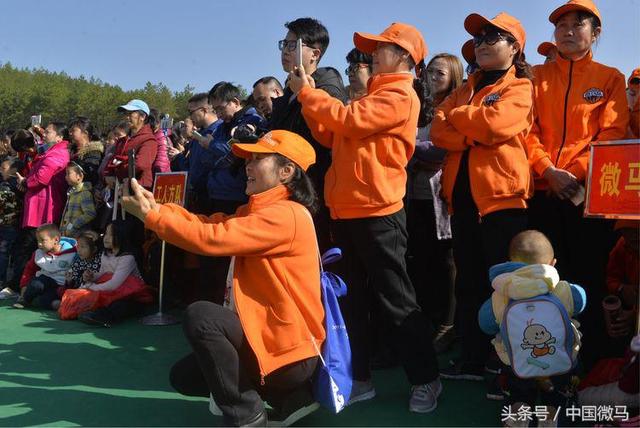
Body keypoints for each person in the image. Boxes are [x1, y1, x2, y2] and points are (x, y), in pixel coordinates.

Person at [121, 129, 325, 427]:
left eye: (257, 159)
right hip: (278, 343)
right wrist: (159, 209)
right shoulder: (262, 211)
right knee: (186, 376)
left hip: (289, 352)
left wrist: (153, 218)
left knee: (202, 317)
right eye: (248, 160)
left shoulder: (285, 215)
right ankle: (291, 398)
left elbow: (212, 238)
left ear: (286, 171)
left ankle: (247, 415)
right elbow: (211, 223)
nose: (248, 166)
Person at [290, 22, 442, 413]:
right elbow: (332, 133)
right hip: (347, 211)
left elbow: (347, 122)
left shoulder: (400, 94)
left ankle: (426, 379)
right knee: (352, 302)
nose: (372, 54)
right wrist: (308, 100)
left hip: (379, 212)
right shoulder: (372, 95)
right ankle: (360, 378)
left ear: (405, 57)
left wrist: (308, 93)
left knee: (397, 300)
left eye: (381, 48)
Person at [525, 0, 629, 368]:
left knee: (588, 277)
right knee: (545, 280)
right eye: (561, 24)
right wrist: (547, 170)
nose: (567, 31)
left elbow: (613, 134)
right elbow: (527, 131)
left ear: (595, 33)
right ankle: (544, 363)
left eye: (577, 24)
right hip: (540, 192)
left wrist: (576, 172)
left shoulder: (610, 78)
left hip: (587, 198)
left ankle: (593, 365)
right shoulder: (535, 77)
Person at [431, 12, 534, 380]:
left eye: (494, 36)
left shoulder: (520, 86)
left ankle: (506, 364)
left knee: (508, 284)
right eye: (480, 38)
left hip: (503, 200)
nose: (484, 43)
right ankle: (473, 359)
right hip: (461, 203)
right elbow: (439, 131)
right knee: (469, 283)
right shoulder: (465, 89)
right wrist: (473, 126)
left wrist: (460, 119)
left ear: (514, 47)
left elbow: (498, 125)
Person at [478, 230, 586, 426]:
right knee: (557, 395)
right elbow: (582, 300)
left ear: (510, 262)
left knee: (519, 393)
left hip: (516, 363)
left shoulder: (500, 295)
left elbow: (484, 324)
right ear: (552, 263)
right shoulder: (563, 290)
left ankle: (518, 416)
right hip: (558, 361)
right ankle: (552, 417)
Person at [271, 17, 349, 252]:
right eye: (284, 44)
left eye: (293, 45)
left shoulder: (327, 88)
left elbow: (325, 139)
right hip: (289, 186)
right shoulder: (289, 89)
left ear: (315, 54)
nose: (285, 50)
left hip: (314, 191)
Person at [407, 53, 464, 355]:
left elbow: (440, 150)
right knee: (422, 260)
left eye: (439, 73)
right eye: (429, 72)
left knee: (448, 263)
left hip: (441, 197)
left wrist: (410, 149)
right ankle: (428, 318)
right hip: (413, 195)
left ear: (453, 77)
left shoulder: (455, 106)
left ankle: (449, 323)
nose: (431, 78)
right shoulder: (418, 108)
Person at [60, 220, 153, 326]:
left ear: (122, 237)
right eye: (106, 233)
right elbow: (103, 272)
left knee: (119, 305)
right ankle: (90, 313)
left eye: (111, 235)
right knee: (95, 298)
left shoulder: (127, 258)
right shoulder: (106, 254)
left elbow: (114, 284)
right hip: (112, 290)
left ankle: (105, 317)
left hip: (131, 295)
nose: (106, 237)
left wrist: (91, 287)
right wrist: (91, 276)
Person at [14, 223, 77, 310]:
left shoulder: (72, 253)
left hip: (60, 285)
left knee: (46, 301)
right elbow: (29, 270)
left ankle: (54, 303)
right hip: (44, 279)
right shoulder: (38, 253)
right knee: (35, 284)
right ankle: (24, 299)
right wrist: (24, 286)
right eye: (37, 241)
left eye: (42, 240)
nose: (39, 244)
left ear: (56, 240)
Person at [177, 93, 221, 214]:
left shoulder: (220, 132)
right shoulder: (197, 137)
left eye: (191, 112)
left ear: (204, 110)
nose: (190, 117)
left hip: (215, 197)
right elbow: (192, 165)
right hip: (197, 197)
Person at [105, 99, 158, 190]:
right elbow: (111, 161)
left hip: (139, 192)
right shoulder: (122, 140)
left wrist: (117, 167)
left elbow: (140, 165)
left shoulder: (149, 140)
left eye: (130, 114)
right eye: (126, 114)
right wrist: (108, 175)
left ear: (142, 116)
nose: (127, 117)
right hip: (120, 192)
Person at [0, 156, 24, 299]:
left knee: (4, 254)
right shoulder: (20, 186)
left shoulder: (9, 186)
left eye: (3, 168)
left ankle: (3, 281)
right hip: (13, 225)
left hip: (8, 226)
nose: (0, 171)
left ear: (14, 170)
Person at [60, 162, 97, 237]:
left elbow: (90, 213)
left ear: (79, 176)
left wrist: (74, 225)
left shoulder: (84, 193)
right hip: (68, 234)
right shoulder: (72, 193)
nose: (65, 177)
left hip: (78, 235)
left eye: (68, 173)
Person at [68, 116, 104, 186]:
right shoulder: (71, 150)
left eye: (73, 130)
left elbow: (90, 175)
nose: (70, 133)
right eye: (70, 131)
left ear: (85, 133)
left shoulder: (94, 152)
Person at [149, 108, 171, 174]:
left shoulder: (161, 137)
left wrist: (156, 174)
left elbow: (162, 161)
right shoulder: (155, 135)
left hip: (158, 177)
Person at [627, 68, 640, 138]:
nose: (636, 84)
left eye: (638, 82)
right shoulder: (625, 95)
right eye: (634, 81)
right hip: (631, 144)